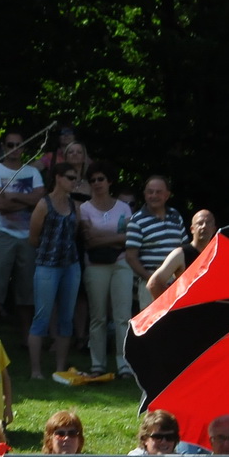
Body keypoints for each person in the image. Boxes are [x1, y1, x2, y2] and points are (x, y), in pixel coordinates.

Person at [0, 130, 44, 333]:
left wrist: (12, 197)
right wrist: (26, 201)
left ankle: (27, 336)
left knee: (27, 290)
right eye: (10, 145)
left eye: (18, 145)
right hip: (2, 234)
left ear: (24, 148)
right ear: (3, 147)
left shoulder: (32, 172)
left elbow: (39, 201)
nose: (14, 149)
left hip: (28, 237)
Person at [77, 162, 134, 377]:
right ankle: (98, 363)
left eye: (101, 179)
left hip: (121, 263)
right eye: (92, 180)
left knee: (122, 316)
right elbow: (88, 240)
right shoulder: (85, 208)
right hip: (95, 265)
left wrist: (104, 238)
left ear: (109, 181)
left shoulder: (123, 207)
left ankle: (124, 364)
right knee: (98, 317)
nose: (97, 183)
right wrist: (116, 238)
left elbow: (130, 237)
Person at [27, 163, 81, 380]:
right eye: (70, 177)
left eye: (75, 178)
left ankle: (59, 368)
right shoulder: (43, 204)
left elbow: (74, 233)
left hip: (71, 266)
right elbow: (33, 237)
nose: (74, 182)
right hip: (47, 266)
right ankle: (36, 371)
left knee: (66, 318)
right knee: (41, 317)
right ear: (58, 178)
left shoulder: (73, 204)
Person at [125, 175, 187, 339]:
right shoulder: (137, 220)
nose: (154, 196)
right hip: (149, 281)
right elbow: (131, 257)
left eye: (158, 192)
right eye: (150, 192)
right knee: (151, 327)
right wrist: (153, 279)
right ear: (145, 194)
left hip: (176, 282)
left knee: (175, 326)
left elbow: (185, 248)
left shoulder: (175, 216)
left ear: (167, 195)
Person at [147, 208, 216, 295]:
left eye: (208, 223)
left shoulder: (217, 254)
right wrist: (168, 306)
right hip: (185, 307)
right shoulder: (180, 254)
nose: (204, 226)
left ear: (214, 229)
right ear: (192, 229)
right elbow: (154, 284)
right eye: (200, 223)